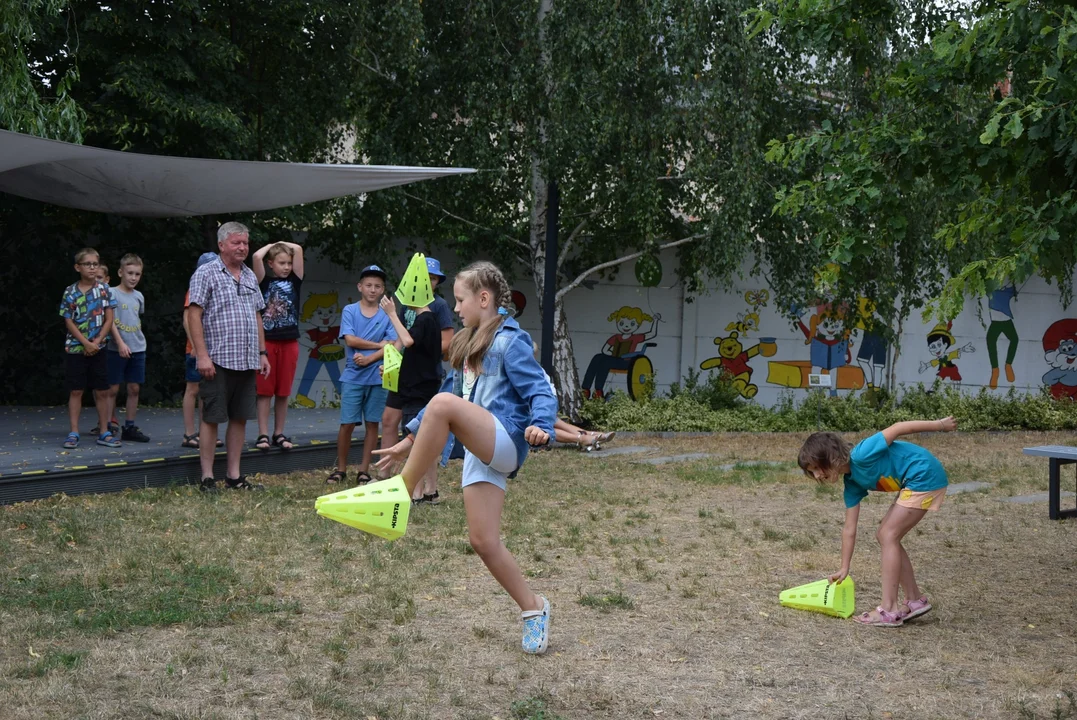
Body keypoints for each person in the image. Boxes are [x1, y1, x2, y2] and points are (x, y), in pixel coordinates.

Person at [374, 261, 557, 654]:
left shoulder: (512, 340)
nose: (455, 309)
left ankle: (399, 493)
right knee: (483, 540)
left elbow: (542, 390)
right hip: (480, 447)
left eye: (460, 300)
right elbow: (450, 396)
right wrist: (408, 440)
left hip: (505, 439)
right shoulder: (467, 342)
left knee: (441, 403)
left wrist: (543, 424)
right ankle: (534, 608)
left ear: (484, 298)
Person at [798, 416, 956, 627]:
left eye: (817, 467)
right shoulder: (852, 482)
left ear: (831, 456)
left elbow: (898, 428)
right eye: (811, 472)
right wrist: (844, 567)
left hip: (923, 473)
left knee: (887, 534)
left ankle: (889, 609)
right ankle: (915, 600)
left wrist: (940, 426)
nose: (816, 475)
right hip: (916, 480)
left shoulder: (862, 454)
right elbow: (849, 529)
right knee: (888, 535)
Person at [187, 222, 271, 492]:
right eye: (236, 243)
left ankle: (234, 477)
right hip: (217, 359)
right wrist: (202, 355)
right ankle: (207, 478)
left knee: (240, 417)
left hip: (247, 359)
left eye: (245, 243)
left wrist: (262, 352)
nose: (243, 247)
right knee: (211, 417)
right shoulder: (206, 273)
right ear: (222, 245)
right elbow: (193, 314)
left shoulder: (248, 275)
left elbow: (257, 314)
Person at [327, 265, 397, 485]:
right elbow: (350, 340)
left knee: (372, 424)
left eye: (378, 286)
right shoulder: (350, 310)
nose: (373, 290)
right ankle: (340, 469)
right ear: (360, 287)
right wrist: (379, 345)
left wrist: (369, 358)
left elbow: (394, 345)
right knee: (347, 423)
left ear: (383, 289)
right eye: (368, 285)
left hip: (378, 375)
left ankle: (364, 470)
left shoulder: (388, 314)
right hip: (353, 376)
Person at [381, 256, 454, 448]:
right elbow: (401, 338)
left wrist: (421, 356)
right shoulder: (407, 305)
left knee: (418, 427)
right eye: (425, 277)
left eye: (433, 278)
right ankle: (384, 474)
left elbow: (446, 341)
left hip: (421, 377)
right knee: (389, 419)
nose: (428, 282)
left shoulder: (438, 306)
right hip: (403, 375)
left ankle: (415, 475)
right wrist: (392, 366)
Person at [59, 248, 119, 449]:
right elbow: (68, 320)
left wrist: (97, 342)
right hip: (76, 348)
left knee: (102, 390)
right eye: (88, 264)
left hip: (99, 347)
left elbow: (109, 317)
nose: (92, 268)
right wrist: (85, 343)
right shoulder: (70, 291)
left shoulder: (104, 290)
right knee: (76, 390)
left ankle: (104, 431)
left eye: (95, 264)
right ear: (78, 267)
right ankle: (74, 431)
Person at [252, 240, 304, 450]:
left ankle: (278, 433)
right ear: (271, 263)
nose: (286, 267)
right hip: (268, 341)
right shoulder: (263, 281)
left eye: (289, 263)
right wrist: (272, 244)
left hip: (289, 341)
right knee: (265, 391)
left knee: (283, 392)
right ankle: (263, 434)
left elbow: (299, 249)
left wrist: (283, 244)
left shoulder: (295, 281)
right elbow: (256, 257)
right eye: (281, 263)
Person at [104, 253, 150, 442]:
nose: (133, 278)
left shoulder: (139, 296)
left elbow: (137, 318)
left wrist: (131, 342)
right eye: (130, 273)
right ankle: (107, 425)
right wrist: (120, 343)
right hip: (116, 348)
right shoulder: (112, 293)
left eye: (137, 274)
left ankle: (129, 426)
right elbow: (110, 321)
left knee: (134, 388)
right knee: (112, 389)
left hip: (138, 347)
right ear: (120, 272)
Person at [182, 253, 223, 449]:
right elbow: (187, 319)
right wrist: (196, 348)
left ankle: (206, 433)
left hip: (213, 349)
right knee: (193, 389)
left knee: (208, 393)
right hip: (196, 350)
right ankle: (189, 433)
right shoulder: (194, 289)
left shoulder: (218, 287)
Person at [90, 261, 118, 435]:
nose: (97, 281)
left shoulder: (109, 294)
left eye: (100, 277)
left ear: (107, 279)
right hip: (90, 344)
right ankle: (103, 421)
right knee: (98, 386)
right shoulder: (85, 294)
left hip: (110, 345)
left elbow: (112, 320)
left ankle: (110, 420)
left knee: (110, 386)